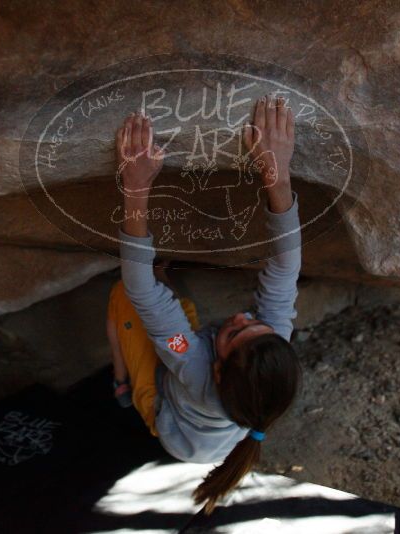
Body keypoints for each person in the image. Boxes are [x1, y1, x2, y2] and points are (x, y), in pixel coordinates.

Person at [106, 95, 302, 514]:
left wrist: (136, 186)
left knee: (125, 300)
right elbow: (285, 271)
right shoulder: (265, 354)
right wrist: (277, 174)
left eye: (235, 331)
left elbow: (138, 286)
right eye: (256, 323)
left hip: (170, 422)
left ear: (215, 369)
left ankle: (123, 383)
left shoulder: (193, 367)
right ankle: (171, 302)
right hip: (212, 421)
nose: (243, 316)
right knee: (172, 311)